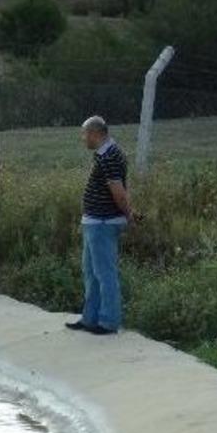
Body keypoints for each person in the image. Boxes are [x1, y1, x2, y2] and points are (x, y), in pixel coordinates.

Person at [66, 116, 134, 336]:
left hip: (103, 222)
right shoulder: (104, 154)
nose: (83, 138)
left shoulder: (111, 156)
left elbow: (118, 192)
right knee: (91, 273)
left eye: (85, 134)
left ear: (96, 133)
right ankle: (90, 318)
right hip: (94, 221)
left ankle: (108, 321)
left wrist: (129, 214)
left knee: (105, 274)